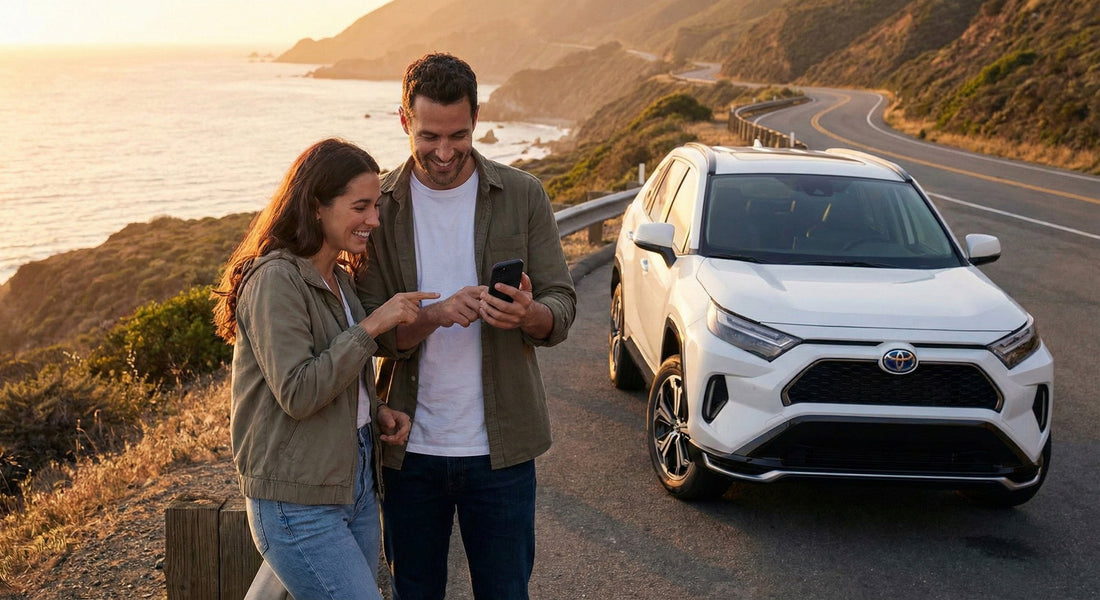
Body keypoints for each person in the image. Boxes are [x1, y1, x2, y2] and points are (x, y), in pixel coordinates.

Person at [356, 53, 577, 600]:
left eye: (458, 134)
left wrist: (530, 314)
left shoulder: (523, 194)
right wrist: (433, 316)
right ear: (404, 120)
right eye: (429, 136)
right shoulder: (379, 208)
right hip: (409, 451)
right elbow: (371, 333)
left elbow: (562, 305)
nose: (444, 151)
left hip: (502, 451)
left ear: (476, 118)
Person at [213, 138, 437, 600]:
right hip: (297, 501)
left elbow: (336, 370)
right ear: (317, 206)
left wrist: (375, 411)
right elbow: (299, 392)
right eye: (361, 207)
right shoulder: (275, 279)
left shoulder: (337, 277)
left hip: (354, 481)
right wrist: (374, 324)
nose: (374, 220)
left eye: (376, 206)